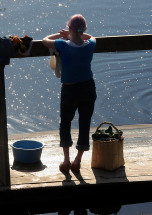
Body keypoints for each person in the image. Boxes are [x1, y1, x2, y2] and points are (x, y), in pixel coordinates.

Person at [42, 14, 97, 173]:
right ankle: (77, 161)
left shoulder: (62, 45)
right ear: (84, 29)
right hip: (88, 88)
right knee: (84, 123)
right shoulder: (90, 45)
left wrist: (62, 35)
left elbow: (45, 40)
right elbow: (92, 37)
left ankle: (66, 161)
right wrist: (75, 33)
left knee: (65, 123)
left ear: (69, 28)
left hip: (70, 90)